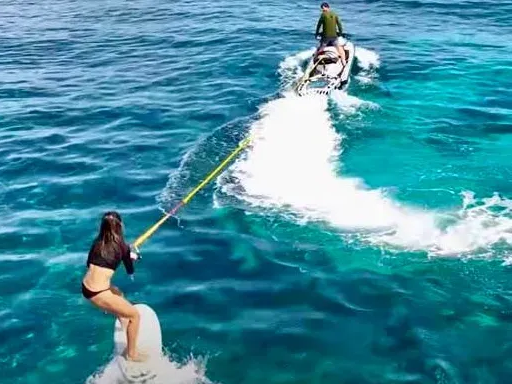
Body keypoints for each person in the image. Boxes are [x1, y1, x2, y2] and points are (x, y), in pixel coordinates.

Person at [81, 211, 147, 362]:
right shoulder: (122, 247)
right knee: (135, 316)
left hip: (86, 286)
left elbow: (91, 263)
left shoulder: (97, 242)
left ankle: (123, 320)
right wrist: (132, 259)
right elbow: (129, 268)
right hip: (98, 293)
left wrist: (127, 254)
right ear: (120, 226)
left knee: (117, 292)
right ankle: (132, 355)